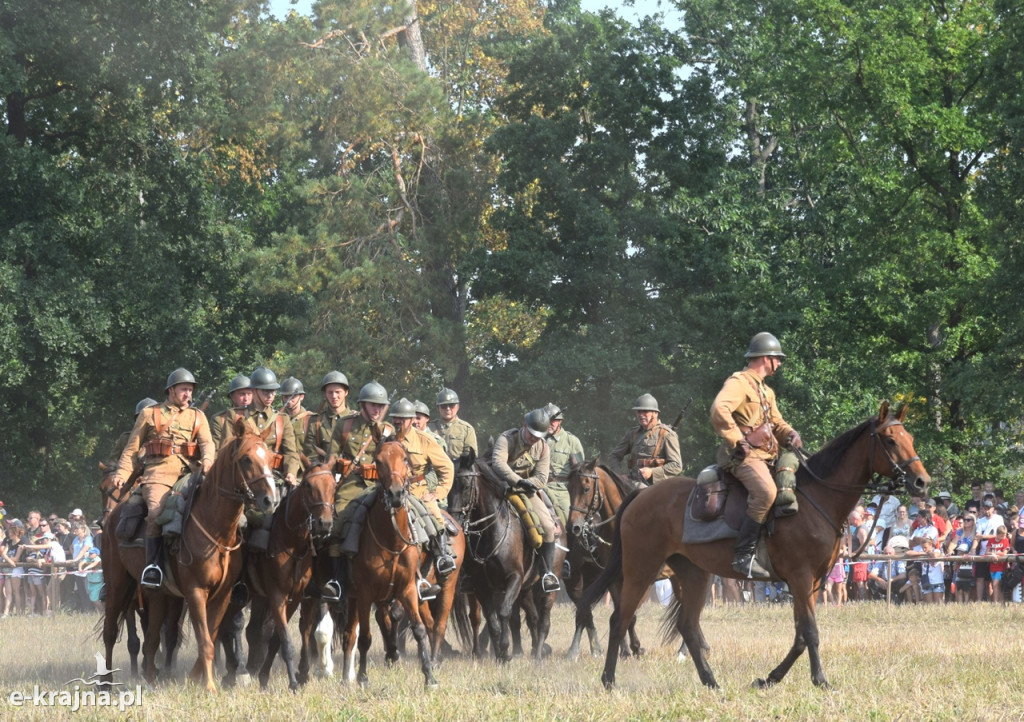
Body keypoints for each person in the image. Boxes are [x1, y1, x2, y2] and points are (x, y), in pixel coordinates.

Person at [111, 368, 215, 589]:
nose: (188, 394)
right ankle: (153, 567)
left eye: (190, 389)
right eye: (183, 389)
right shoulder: (150, 413)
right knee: (156, 513)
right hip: (159, 472)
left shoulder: (198, 416)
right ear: (171, 390)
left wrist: (207, 461)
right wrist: (121, 473)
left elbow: (207, 443)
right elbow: (132, 448)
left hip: (191, 472)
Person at [710, 332, 803, 579]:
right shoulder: (738, 382)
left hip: (767, 455)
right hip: (743, 456)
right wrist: (736, 439)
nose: (780, 363)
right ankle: (743, 555)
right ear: (765, 358)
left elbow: (776, 423)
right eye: (777, 358)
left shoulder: (766, 391)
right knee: (766, 493)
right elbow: (720, 409)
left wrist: (790, 434)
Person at [321, 382, 396, 601]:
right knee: (336, 526)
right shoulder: (345, 425)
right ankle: (337, 580)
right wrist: (334, 466)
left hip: (378, 486)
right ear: (362, 405)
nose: (377, 410)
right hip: (351, 485)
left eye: (381, 407)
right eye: (373, 406)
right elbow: (331, 455)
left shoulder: (387, 430)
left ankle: (412, 577)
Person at [489, 409, 561, 593]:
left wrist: (528, 484)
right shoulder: (506, 439)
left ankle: (547, 573)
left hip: (527, 491)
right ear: (524, 426)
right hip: (499, 487)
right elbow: (498, 463)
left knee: (547, 526)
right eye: (531, 434)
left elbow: (542, 477)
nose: (533, 439)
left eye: (538, 436)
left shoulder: (543, 447)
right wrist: (517, 480)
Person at [389, 398, 457, 596]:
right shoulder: (387, 439)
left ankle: (442, 558)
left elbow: (447, 468)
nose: (398, 422)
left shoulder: (426, 440)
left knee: (435, 521)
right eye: (395, 418)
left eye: (403, 418)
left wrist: (438, 493)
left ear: (411, 420)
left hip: (417, 491)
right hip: (390, 490)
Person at [610, 393, 682, 489]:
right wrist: (620, 476)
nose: (641, 415)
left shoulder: (667, 434)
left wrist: (652, 472)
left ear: (655, 413)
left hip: (656, 487)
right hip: (632, 484)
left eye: (645, 412)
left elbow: (676, 466)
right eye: (639, 412)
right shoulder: (632, 433)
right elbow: (614, 456)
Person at [246, 366, 300, 487]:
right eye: (265, 391)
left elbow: (291, 452)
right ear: (253, 391)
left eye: (273, 391)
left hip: (274, 477)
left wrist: (291, 473)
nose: (270, 395)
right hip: (245, 478)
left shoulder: (282, 419)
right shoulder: (237, 417)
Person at [543, 403, 585, 537]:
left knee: (569, 521)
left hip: (560, 489)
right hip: (537, 485)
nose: (550, 423)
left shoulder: (571, 441)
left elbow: (580, 472)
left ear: (560, 421)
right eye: (547, 420)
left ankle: (568, 554)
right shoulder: (537, 438)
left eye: (553, 420)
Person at [303, 371, 356, 464]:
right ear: (325, 394)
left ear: (346, 392)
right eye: (330, 392)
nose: (334, 396)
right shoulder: (315, 422)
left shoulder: (356, 420)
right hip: (324, 473)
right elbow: (311, 455)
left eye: (338, 392)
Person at [429, 388, 478, 462]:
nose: (448, 409)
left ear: (457, 407)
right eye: (443, 406)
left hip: (458, 470)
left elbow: (471, 456)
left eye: (451, 405)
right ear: (438, 408)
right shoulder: (429, 428)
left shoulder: (467, 429)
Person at [972, 499, 1005, 601]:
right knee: (980, 578)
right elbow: (977, 537)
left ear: (993, 509)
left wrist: (984, 536)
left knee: (993, 581)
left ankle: (995, 601)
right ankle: (979, 601)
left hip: (996, 551)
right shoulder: (980, 521)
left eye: (988, 509)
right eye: (984, 509)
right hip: (983, 553)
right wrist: (973, 549)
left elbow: (1000, 534)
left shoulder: (998, 519)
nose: (986, 511)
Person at [209, 374, 253, 450]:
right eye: (242, 394)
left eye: (249, 394)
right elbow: (216, 449)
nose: (246, 398)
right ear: (232, 396)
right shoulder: (220, 419)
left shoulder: (257, 416)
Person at [279, 376, 314, 461]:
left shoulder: (311, 419)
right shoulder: (277, 419)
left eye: (292, 397)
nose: (288, 400)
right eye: (285, 397)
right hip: (281, 467)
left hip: (304, 468)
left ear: (302, 397)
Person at [946, 513, 977, 603]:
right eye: (965, 519)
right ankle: (959, 604)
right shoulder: (960, 531)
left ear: (973, 521)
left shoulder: (976, 532)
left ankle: (968, 605)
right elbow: (954, 543)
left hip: (969, 561)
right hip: (959, 560)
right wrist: (950, 550)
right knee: (957, 584)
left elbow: (974, 546)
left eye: (968, 520)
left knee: (968, 586)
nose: (966, 521)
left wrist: (970, 553)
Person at [987, 525, 1011, 604]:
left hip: (1001, 567)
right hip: (992, 567)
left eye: (1004, 535)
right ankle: (1001, 603)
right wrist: (992, 554)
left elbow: (1004, 552)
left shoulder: (1006, 540)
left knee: (995, 584)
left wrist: (996, 553)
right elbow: (986, 552)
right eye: (1001, 535)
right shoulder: (991, 540)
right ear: (997, 534)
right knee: (997, 586)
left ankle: (995, 603)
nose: (1003, 537)